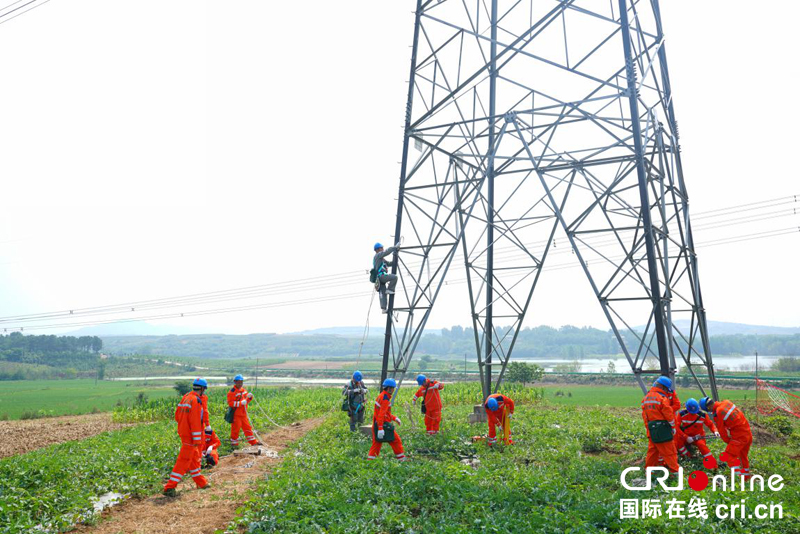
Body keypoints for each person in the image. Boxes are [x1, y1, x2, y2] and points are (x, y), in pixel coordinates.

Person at [163, 378, 210, 496]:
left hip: (184, 433)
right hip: (190, 437)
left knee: (193, 460)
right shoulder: (196, 400)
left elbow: (177, 416)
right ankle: (169, 487)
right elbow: (195, 422)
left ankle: (201, 483)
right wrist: (197, 439)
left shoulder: (186, 397)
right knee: (183, 461)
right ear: (203, 389)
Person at [701, 396, 753, 478]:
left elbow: (722, 432)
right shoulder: (727, 402)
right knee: (742, 456)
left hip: (739, 437)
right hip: (748, 433)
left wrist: (729, 442)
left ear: (708, 407)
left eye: (708, 410)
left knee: (729, 456)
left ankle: (738, 479)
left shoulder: (718, 412)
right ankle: (746, 477)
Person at [641, 376, 680, 475]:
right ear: (663, 387)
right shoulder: (661, 398)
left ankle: (649, 472)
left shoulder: (646, 398)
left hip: (652, 429)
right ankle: (675, 472)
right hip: (663, 429)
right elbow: (668, 413)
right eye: (667, 389)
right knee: (670, 451)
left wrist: (649, 429)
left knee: (652, 451)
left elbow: (645, 416)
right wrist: (673, 427)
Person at [367, 378, 406, 461]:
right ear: (389, 388)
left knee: (377, 443)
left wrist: (395, 418)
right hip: (383, 425)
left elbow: (385, 413)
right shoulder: (385, 399)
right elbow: (381, 415)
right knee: (396, 440)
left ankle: (370, 461)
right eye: (392, 388)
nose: (393, 390)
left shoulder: (382, 395)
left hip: (377, 424)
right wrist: (381, 428)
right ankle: (401, 459)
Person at [674, 398, 720, 468]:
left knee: (701, 445)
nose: (693, 414)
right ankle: (688, 457)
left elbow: (710, 425)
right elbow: (676, 427)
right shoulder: (681, 414)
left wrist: (715, 431)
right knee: (677, 441)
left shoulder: (703, 415)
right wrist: (686, 437)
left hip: (698, 437)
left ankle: (713, 465)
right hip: (686, 437)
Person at [227, 374, 260, 447]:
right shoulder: (232, 392)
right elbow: (230, 403)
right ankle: (234, 444)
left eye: (241, 382)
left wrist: (249, 398)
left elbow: (246, 401)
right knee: (236, 429)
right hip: (236, 415)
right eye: (238, 382)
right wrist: (240, 403)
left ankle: (253, 442)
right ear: (235, 382)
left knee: (248, 428)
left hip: (243, 414)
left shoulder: (244, 390)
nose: (240, 383)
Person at [373, 242, 400, 313]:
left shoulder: (381, 259)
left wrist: (395, 260)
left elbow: (389, 264)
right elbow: (386, 252)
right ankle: (390, 289)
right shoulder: (377, 255)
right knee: (394, 277)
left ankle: (384, 308)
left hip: (379, 279)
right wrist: (394, 247)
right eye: (382, 248)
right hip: (381, 276)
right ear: (378, 249)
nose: (383, 249)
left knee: (382, 294)